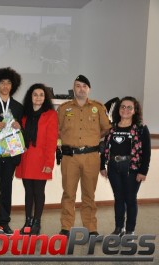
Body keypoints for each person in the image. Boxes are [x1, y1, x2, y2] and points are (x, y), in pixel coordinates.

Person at [57, 75, 111, 237]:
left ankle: (91, 227)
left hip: (91, 157)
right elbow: (56, 129)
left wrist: (93, 139)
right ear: (74, 88)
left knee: (89, 194)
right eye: (78, 86)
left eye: (84, 86)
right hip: (70, 157)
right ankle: (66, 227)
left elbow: (106, 128)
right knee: (68, 194)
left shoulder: (98, 108)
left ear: (89, 89)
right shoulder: (64, 108)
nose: (81, 89)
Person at [100, 97, 151, 236]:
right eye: (123, 106)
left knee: (130, 199)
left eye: (129, 107)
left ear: (135, 111)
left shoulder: (141, 129)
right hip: (113, 168)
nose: (125, 110)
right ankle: (118, 228)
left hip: (132, 169)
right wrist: (102, 166)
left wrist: (143, 171)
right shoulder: (112, 128)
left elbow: (146, 152)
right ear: (119, 109)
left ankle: (130, 230)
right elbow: (105, 148)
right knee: (118, 199)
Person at [15, 83, 58, 235]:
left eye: (41, 94)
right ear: (30, 97)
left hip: (41, 159)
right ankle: (28, 221)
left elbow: (52, 141)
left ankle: (37, 223)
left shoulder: (51, 115)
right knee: (28, 191)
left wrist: (49, 163)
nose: (38, 97)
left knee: (39, 191)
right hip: (26, 157)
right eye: (35, 94)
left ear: (45, 97)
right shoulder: (24, 115)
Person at [0, 67, 23, 236]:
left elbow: (22, 131)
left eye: (9, 83)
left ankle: (4, 223)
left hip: (10, 156)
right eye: (2, 82)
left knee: (6, 189)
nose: (6, 86)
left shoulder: (18, 107)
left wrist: (19, 126)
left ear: (13, 85)